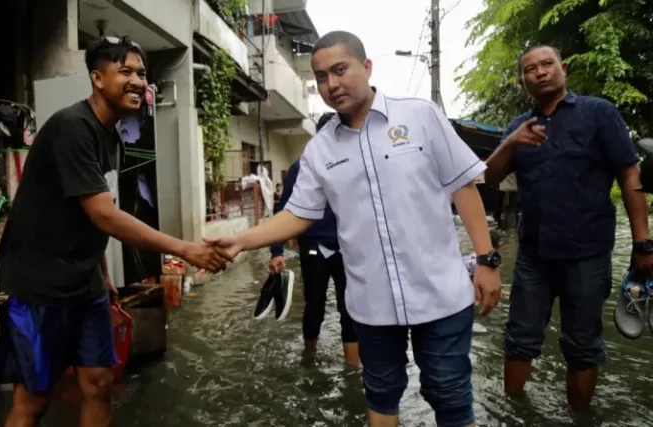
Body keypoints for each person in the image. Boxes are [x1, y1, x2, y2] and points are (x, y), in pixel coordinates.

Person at [205, 31, 501, 427]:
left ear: (366, 66)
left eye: (339, 70)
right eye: (321, 77)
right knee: (380, 395)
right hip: (371, 303)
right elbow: (297, 214)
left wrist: (486, 260)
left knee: (450, 395)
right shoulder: (320, 150)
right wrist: (241, 240)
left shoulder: (419, 116)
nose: (331, 85)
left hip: (441, 295)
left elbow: (463, 186)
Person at [0, 36, 226, 427]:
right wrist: (185, 249)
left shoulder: (111, 137)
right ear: (98, 79)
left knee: (100, 383)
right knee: (33, 399)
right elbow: (105, 215)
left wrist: (101, 274)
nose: (138, 81)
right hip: (39, 285)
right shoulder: (72, 127)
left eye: (142, 73)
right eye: (126, 71)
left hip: (85, 286)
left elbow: (88, 211)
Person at [484, 44, 653, 412]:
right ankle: (514, 414)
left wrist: (643, 244)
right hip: (533, 255)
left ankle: (579, 419)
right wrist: (511, 143)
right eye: (531, 69)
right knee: (519, 339)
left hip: (588, 254)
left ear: (564, 68)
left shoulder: (598, 113)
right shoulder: (518, 127)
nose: (540, 72)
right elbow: (491, 177)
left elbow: (628, 174)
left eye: (547, 64)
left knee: (583, 343)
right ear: (522, 80)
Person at [262, 111, 360, 366]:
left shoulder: (355, 165)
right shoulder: (301, 167)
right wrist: (277, 252)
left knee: (350, 308)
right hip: (314, 247)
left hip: (348, 249)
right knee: (314, 305)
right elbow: (285, 210)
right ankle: (309, 359)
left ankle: (352, 369)